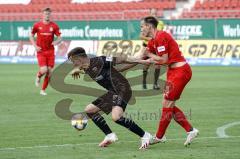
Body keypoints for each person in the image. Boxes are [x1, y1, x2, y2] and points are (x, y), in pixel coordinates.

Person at [68, 47, 152, 149]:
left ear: (79, 59)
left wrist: (141, 61)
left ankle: (144, 135)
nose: (73, 64)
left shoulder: (100, 61)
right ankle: (109, 136)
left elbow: (121, 59)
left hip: (122, 89)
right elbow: (119, 69)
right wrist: (76, 70)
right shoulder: (85, 67)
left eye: (73, 61)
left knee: (116, 117)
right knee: (90, 110)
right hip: (113, 92)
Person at [140, 16, 199, 146]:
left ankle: (160, 136)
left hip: (180, 72)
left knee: (167, 104)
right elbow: (142, 57)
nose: (141, 29)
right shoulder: (152, 41)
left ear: (149, 26)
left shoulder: (161, 36)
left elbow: (163, 60)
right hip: (173, 72)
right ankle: (190, 130)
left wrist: (149, 56)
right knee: (167, 104)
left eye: (142, 26)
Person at [30, 7, 62, 95]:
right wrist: (35, 46)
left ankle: (43, 90)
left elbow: (60, 37)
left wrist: (56, 41)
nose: (47, 15)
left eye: (48, 13)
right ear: (42, 15)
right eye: (45, 13)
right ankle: (38, 76)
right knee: (44, 70)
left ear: (50, 15)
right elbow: (31, 36)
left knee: (50, 72)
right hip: (41, 51)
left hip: (51, 52)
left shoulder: (54, 26)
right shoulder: (37, 25)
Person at [140, 8, 164, 90]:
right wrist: (151, 39)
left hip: (156, 46)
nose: (154, 15)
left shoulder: (160, 23)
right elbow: (141, 36)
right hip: (147, 46)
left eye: (155, 13)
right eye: (152, 13)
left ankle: (155, 84)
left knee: (158, 66)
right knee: (146, 65)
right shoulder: (145, 23)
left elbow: (160, 34)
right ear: (149, 14)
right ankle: (144, 82)